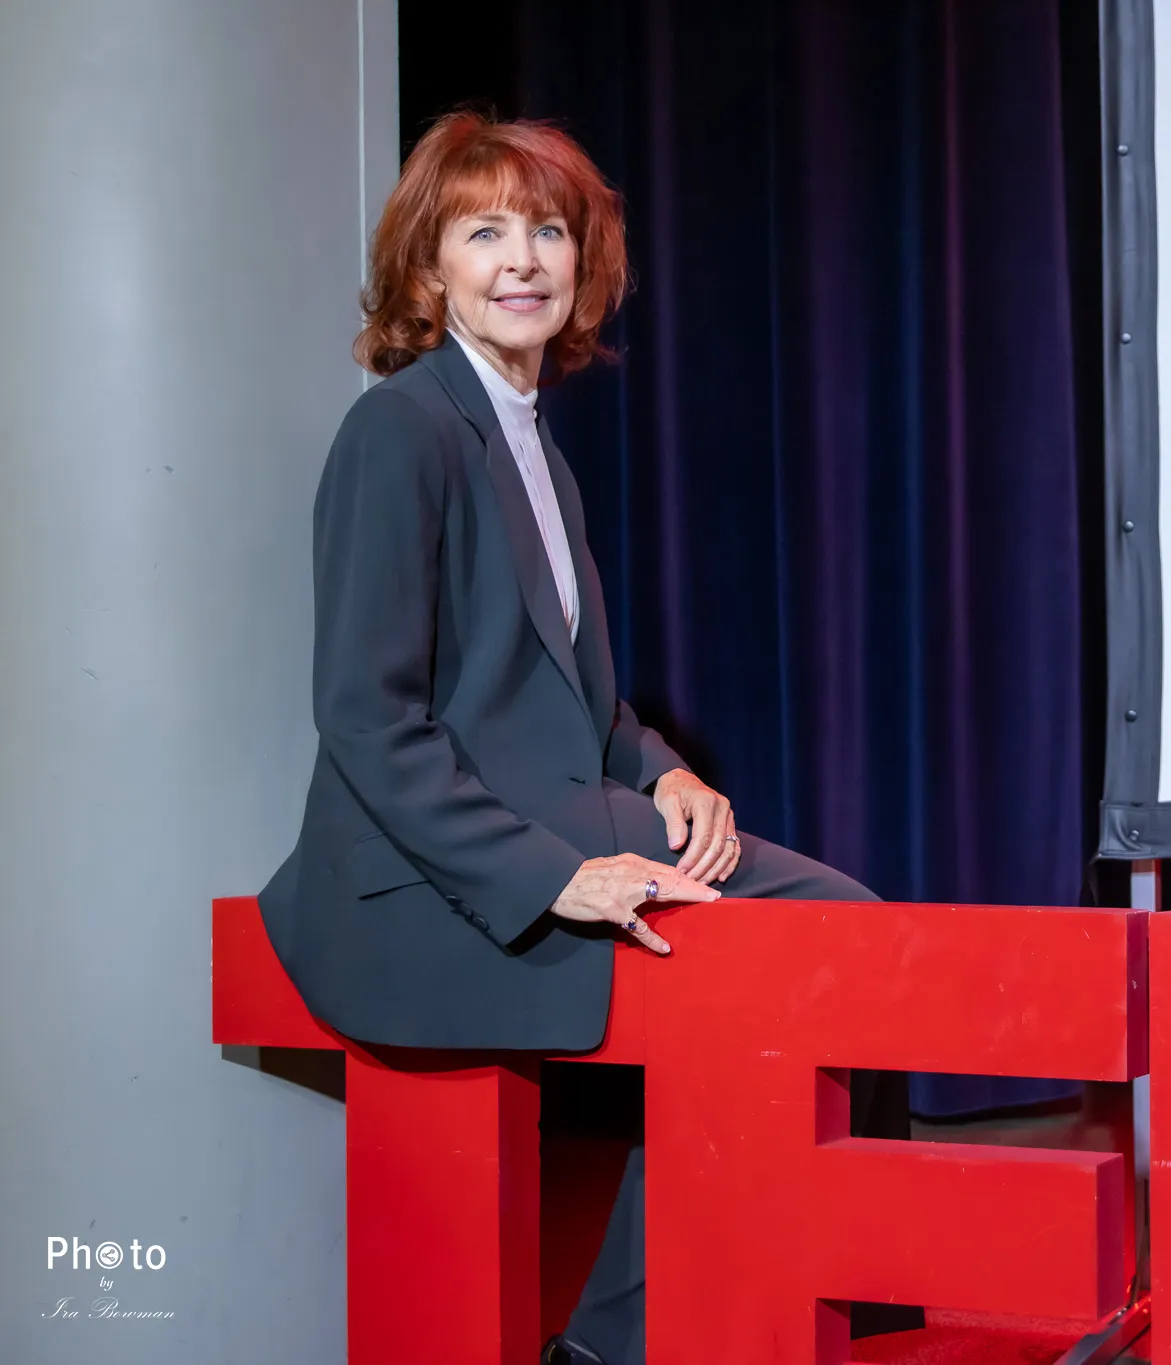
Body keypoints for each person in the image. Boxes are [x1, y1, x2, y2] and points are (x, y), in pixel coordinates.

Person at [257, 110, 919, 1364]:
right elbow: (365, 716)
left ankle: (811, 1324)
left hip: (553, 825)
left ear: (583, 264)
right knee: (783, 976)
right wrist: (556, 879)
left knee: (852, 945)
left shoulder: (533, 451)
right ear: (426, 271)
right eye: (484, 231)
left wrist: (668, 772)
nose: (522, 259)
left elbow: (576, 704)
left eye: (547, 231)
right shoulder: (399, 429)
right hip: (421, 889)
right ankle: (628, 1341)